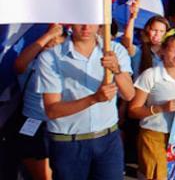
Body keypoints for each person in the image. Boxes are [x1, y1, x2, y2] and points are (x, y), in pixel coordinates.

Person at [37, 24, 135, 180]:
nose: (86, 27)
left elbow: (129, 95)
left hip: (108, 140)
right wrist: (94, 99)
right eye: (80, 21)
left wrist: (117, 70)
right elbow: (52, 110)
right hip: (68, 143)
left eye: (91, 21)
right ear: (70, 23)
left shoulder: (115, 50)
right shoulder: (50, 57)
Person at [128, 31, 175, 180]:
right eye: (174, 51)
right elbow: (133, 110)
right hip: (154, 135)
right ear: (163, 51)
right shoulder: (151, 75)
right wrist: (160, 108)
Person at [12, 24, 66, 180]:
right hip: (33, 125)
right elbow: (19, 65)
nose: (54, 48)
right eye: (50, 44)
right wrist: (49, 35)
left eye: (59, 44)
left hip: (61, 127)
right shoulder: (32, 66)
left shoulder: (69, 68)